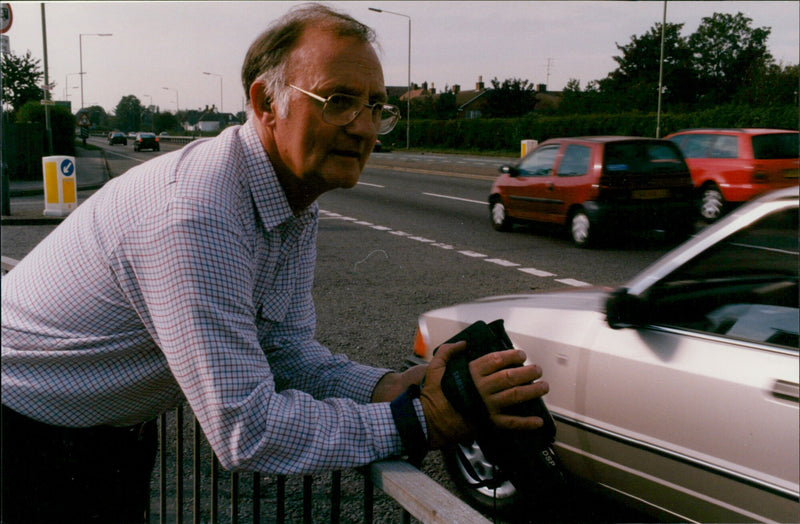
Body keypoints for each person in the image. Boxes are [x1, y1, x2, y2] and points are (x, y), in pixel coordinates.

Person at [1, 4, 549, 523]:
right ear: (267, 104)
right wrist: (423, 419)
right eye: (338, 101)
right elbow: (248, 429)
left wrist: (392, 386)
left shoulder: (288, 199)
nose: (363, 128)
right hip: (23, 429)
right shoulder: (198, 212)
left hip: (100, 431)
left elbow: (282, 348)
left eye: (376, 107)